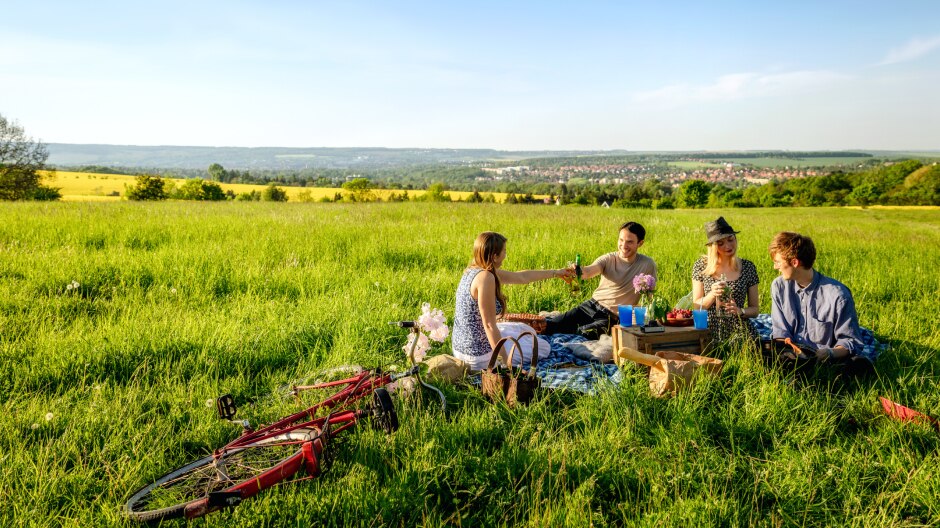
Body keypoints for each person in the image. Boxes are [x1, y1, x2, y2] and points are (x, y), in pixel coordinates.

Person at [452, 232, 571, 371]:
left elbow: (521, 277)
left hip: (461, 347)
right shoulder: (486, 278)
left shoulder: (475, 270)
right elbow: (489, 325)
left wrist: (556, 273)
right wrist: (504, 364)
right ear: (494, 256)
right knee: (543, 347)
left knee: (526, 329)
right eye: (504, 251)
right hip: (477, 356)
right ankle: (499, 360)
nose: (505, 255)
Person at [543, 222, 657, 339]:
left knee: (581, 334)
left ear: (640, 243)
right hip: (590, 306)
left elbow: (650, 296)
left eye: (630, 242)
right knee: (549, 325)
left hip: (611, 318)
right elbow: (589, 271)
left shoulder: (647, 264)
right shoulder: (608, 259)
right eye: (621, 240)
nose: (624, 245)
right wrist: (579, 270)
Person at [768, 231, 864, 362]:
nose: (775, 267)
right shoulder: (779, 286)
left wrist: (829, 353)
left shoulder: (838, 295)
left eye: (778, 262)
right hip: (790, 357)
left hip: (824, 359)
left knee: (855, 362)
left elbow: (850, 341)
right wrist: (784, 348)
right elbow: (780, 331)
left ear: (794, 262)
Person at [691, 217, 760, 344]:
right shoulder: (701, 266)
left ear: (735, 238)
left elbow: (755, 310)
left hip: (739, 329)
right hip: (709, 330)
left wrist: (740, 311)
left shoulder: (748, 267)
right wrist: (712, 294)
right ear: (713, 247)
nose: (728, 246)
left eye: (730, 239)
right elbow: (696, 306)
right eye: (720, 243)